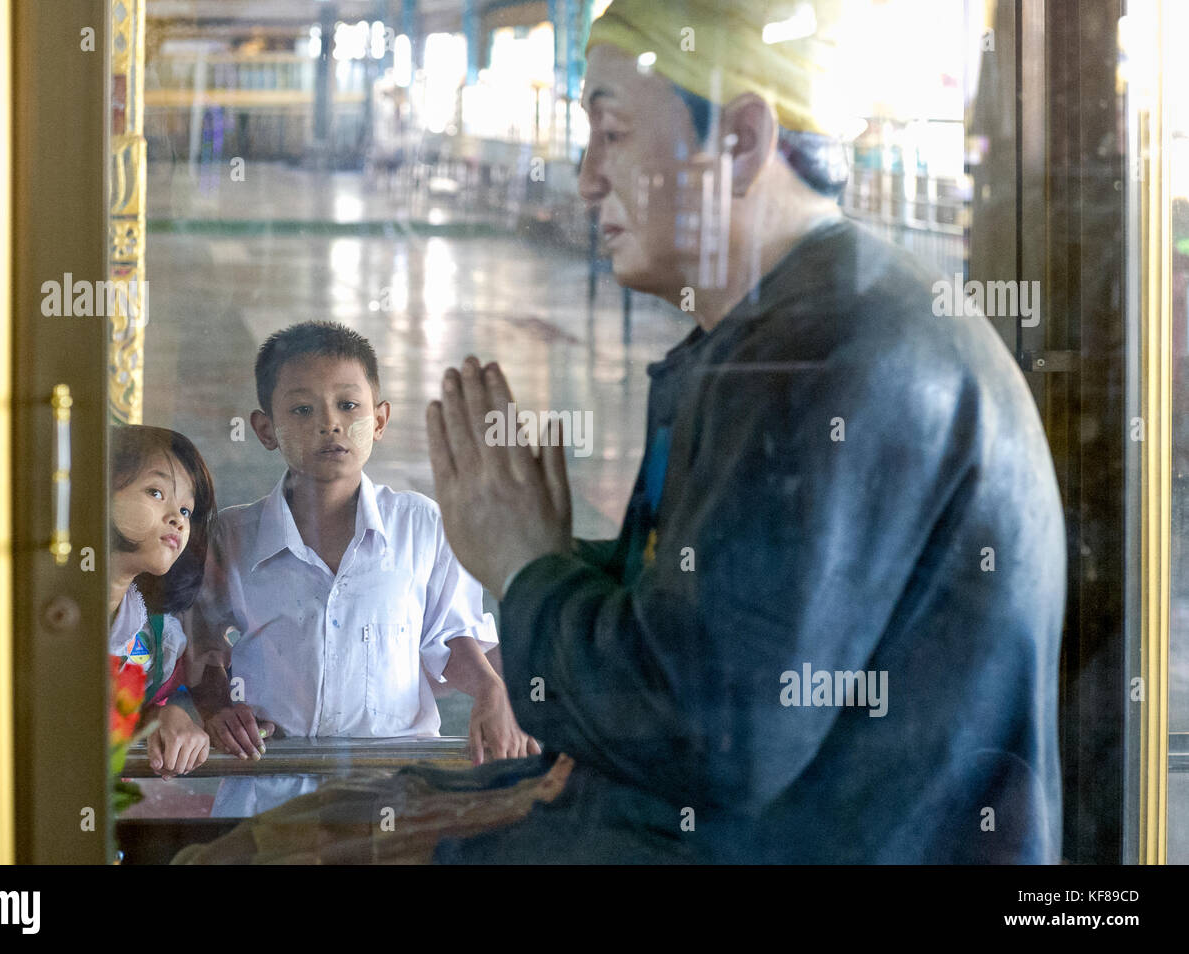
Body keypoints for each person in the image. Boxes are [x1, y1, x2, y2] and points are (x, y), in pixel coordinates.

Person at [425, 0, 1066, 863]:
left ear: (740, 142)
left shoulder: (829, 357)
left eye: (610, 132)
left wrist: (526, 570)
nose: (584, 177)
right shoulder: (795, 330)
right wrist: (549, 559)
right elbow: (714, 626)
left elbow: (716, 729)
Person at [185, 321, 539, 817]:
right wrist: (217, 708)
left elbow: (454, 638)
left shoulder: (421, 525)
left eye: (348, 405)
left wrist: (491, 690)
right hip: (267, 791)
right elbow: (202, 646)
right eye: (302, 410)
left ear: (379, 419)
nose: (329, 423)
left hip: (392, 792)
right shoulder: (231, 536)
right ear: (266, 429)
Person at [109, 424, 215, 781]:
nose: (178, 520)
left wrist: (165, 716)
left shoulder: (156, 638)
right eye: (156, 492)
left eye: (186, 510)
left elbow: (149, 706)